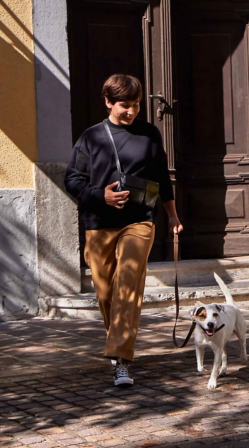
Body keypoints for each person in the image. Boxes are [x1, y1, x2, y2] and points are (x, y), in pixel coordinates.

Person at [65, 74, 183, 387]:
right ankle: (119, 351)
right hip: (99, 223)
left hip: (139, 221)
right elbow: (72, 180)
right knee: (106, 294)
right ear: (108, 102)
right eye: (123, 105)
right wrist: (100, 195)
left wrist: (171, 216)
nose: (130, 111)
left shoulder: (149, 134)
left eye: (135, 105)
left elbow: (161, 177)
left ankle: (122, 361)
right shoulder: (91, 137)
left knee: (128, 280)